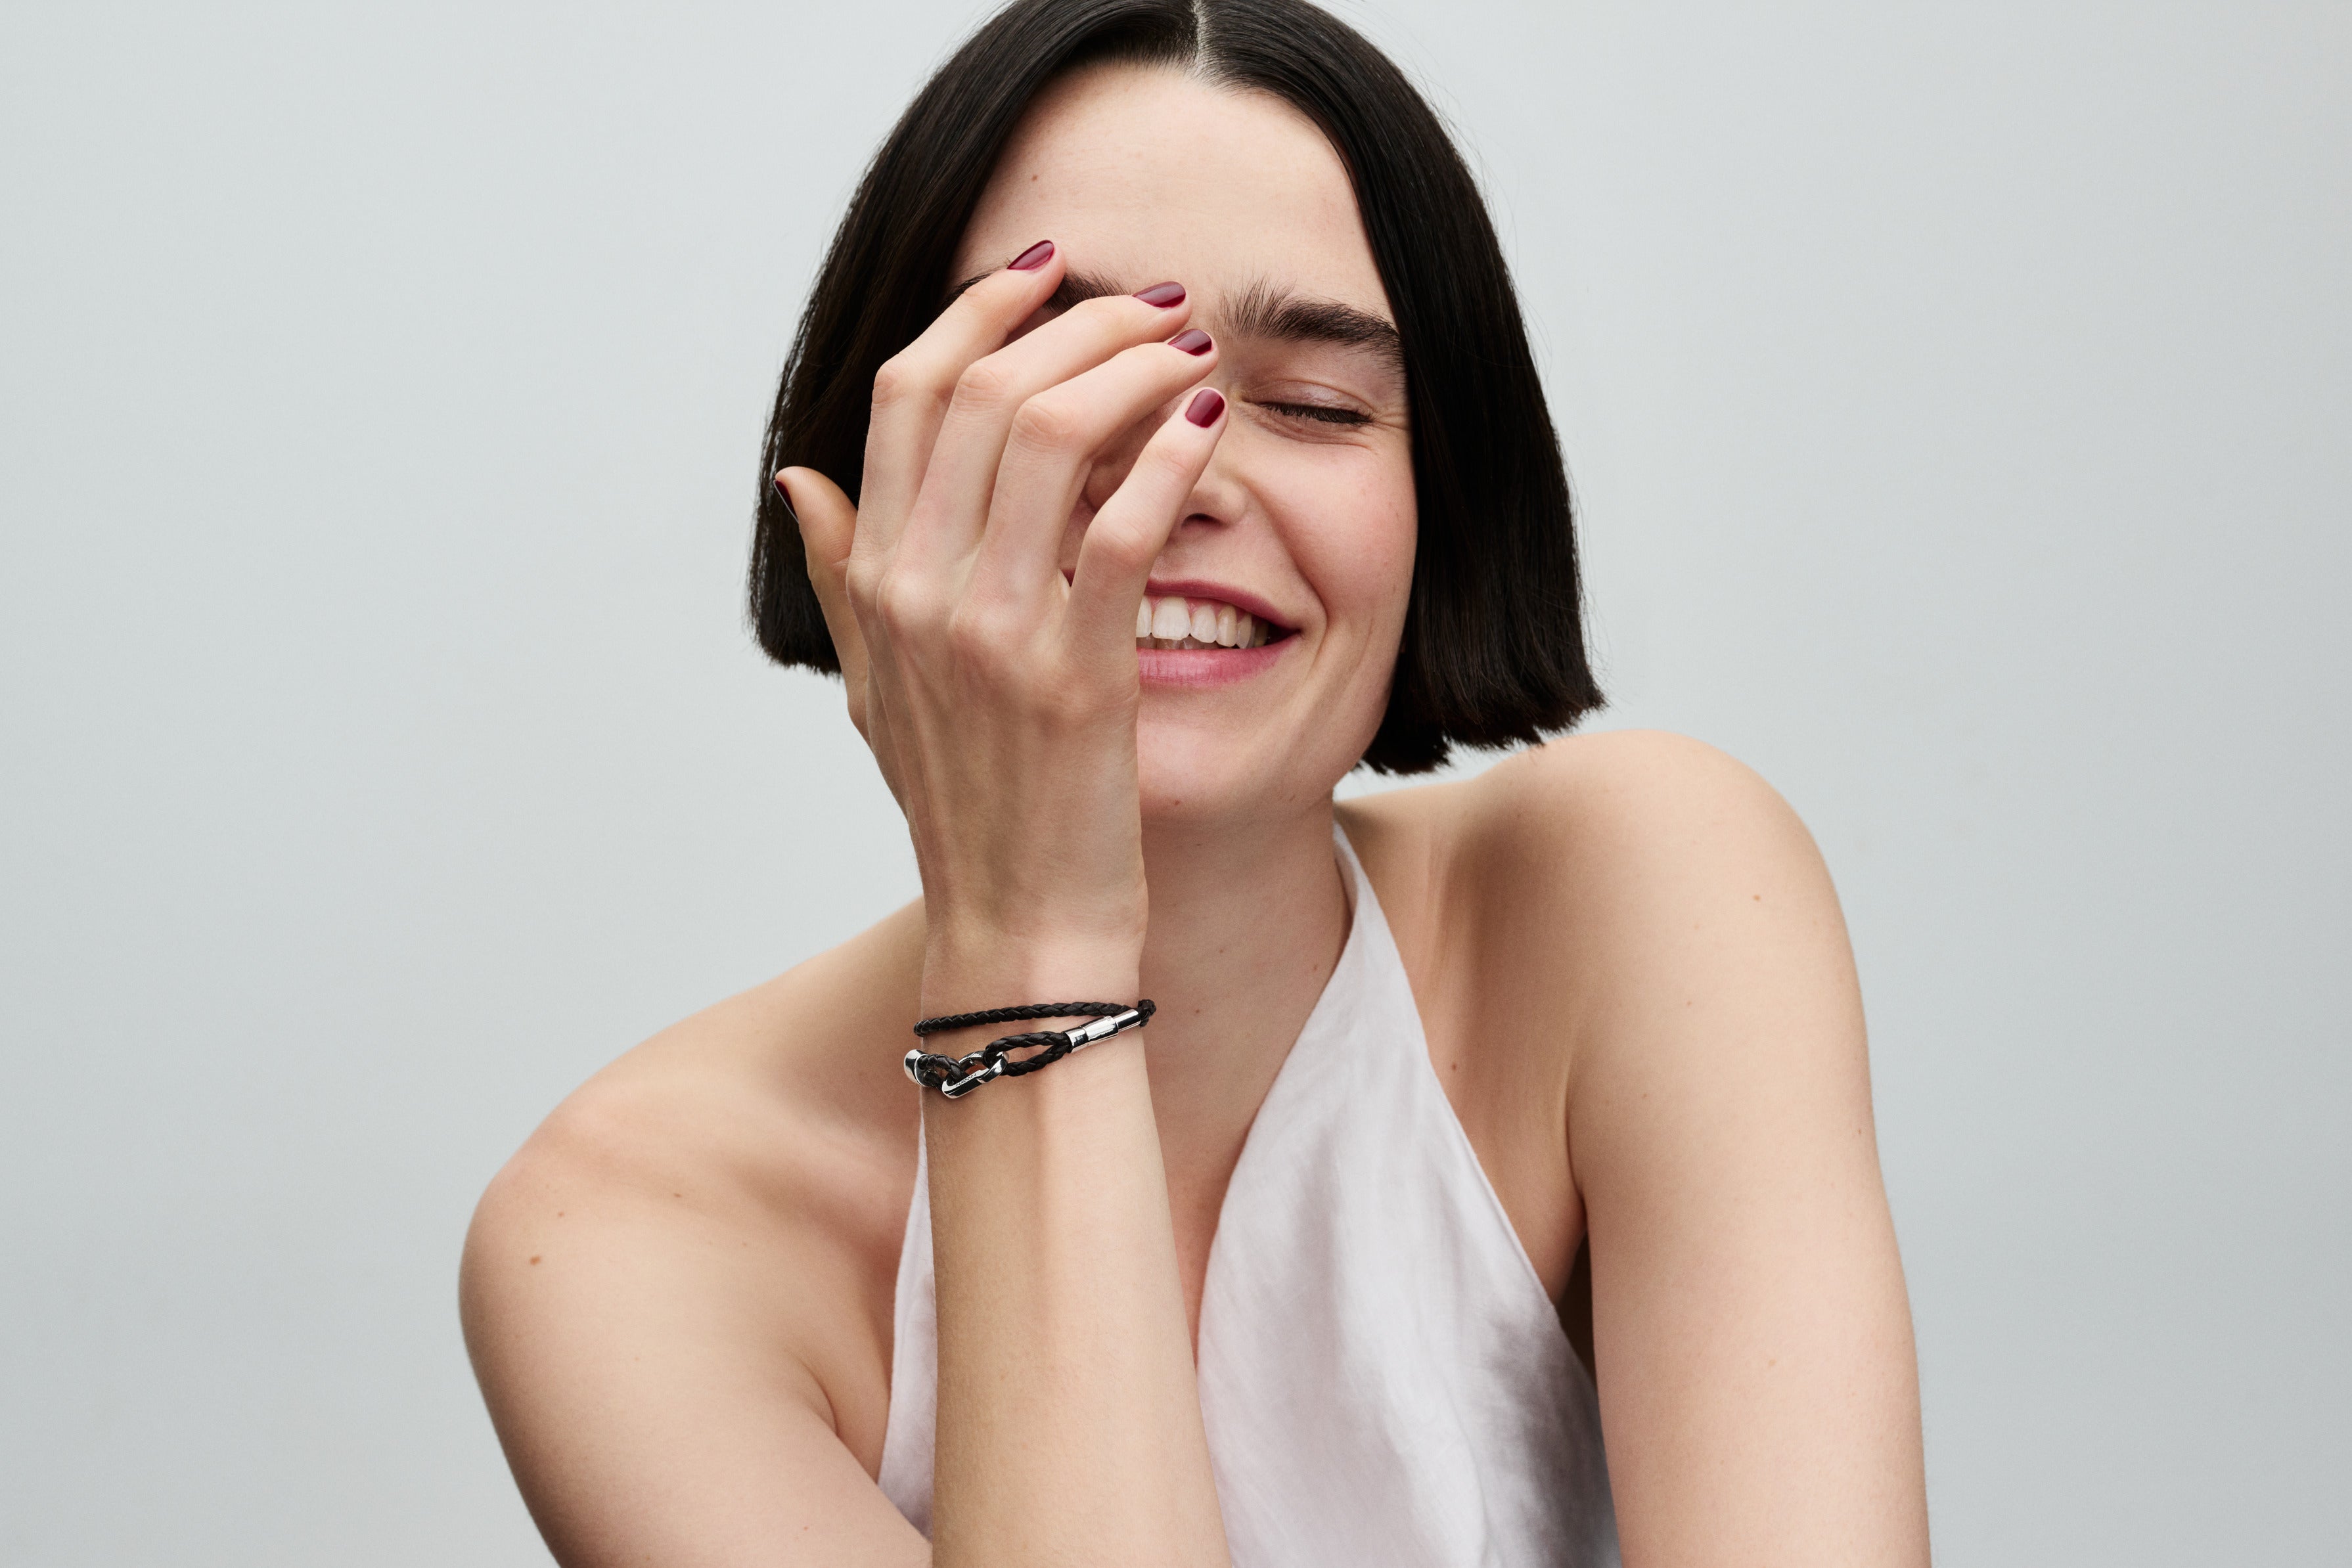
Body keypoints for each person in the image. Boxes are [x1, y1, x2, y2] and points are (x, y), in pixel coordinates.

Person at [459, 1, 1930, 1562]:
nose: (1177, 487)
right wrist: (1029, 939)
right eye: (1054, 386)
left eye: (1308, 405)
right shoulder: (625, 1236)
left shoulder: (1644, 893)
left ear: (1447, 499)